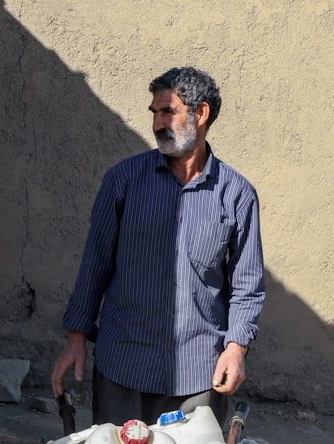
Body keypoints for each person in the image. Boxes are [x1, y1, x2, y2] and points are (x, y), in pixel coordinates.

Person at [50, 66, 265, 425]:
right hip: (123, 365)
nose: (157, 123)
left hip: (199, 374)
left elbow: (247, 285)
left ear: (201, 114)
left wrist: (236, 348)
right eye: (154, 113)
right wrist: (76, 338)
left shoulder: (237, 194)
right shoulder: (124, 181)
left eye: (168, 111)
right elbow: (95, 265)